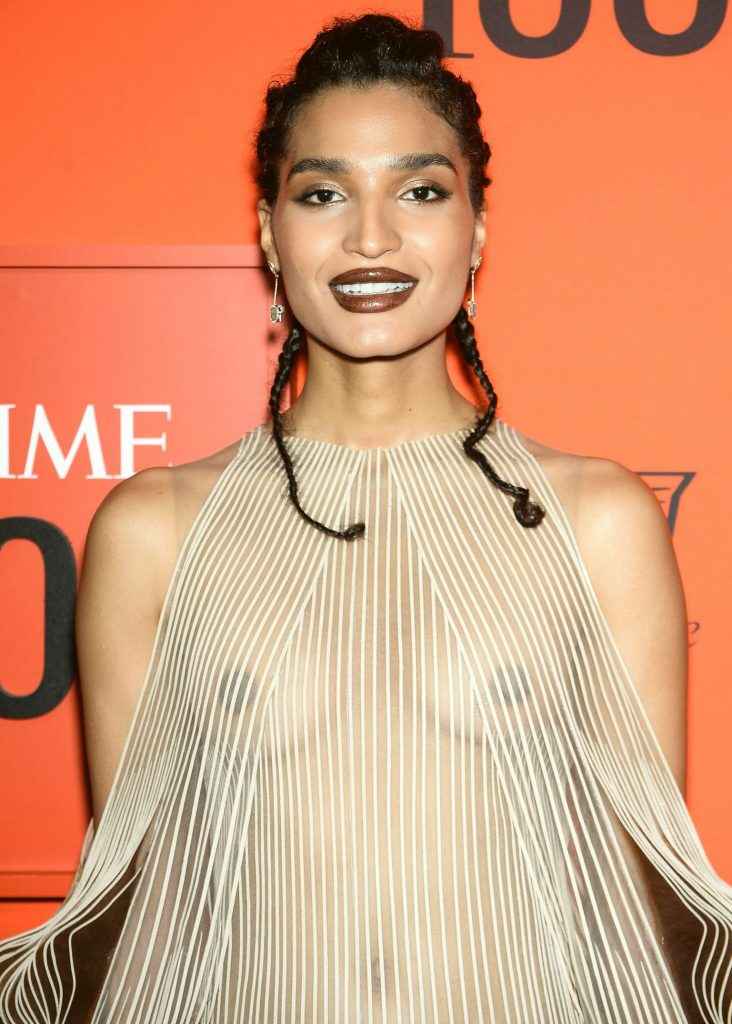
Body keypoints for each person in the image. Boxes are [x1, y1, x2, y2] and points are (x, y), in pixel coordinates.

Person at [2, 11, 731, 1022]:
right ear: (270, 232)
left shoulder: (595, 520)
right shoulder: (155, 528)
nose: (372, 236)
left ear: (478, 228)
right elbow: (146, 911)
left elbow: (633, 910)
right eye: (323, 193)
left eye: (420, 190)